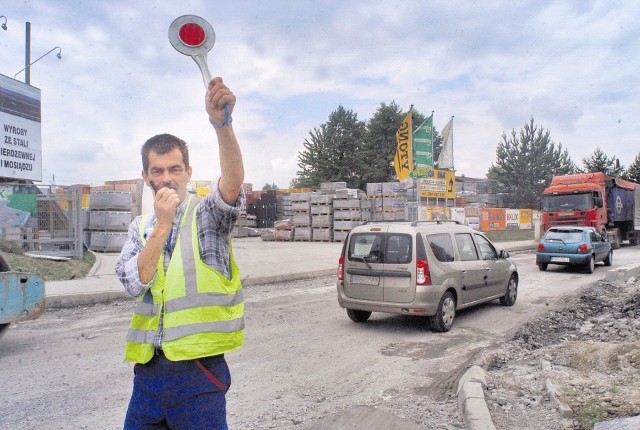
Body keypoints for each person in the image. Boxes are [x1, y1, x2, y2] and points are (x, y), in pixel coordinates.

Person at [115, 77, 245, 429]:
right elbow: (133, 281)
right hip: (148, 376)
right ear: (146, 177)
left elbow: (231, 186)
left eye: (175, 169)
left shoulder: (206, 216)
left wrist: (222, 126)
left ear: (188, 172)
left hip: (199, 373)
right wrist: (160, 226)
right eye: (157, 171)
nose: (167, 178)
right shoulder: (140, 227)